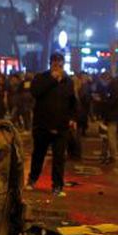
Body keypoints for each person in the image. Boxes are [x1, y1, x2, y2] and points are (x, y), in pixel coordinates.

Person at [28, 52, 77, 196]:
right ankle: (32, 179)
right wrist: (52, 79)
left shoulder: (68, 81)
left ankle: (57, 186)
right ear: (50, 64)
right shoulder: (41, 78)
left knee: (59, 158)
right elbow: (35, 92)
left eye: (60, 63)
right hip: (42, 125)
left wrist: (73, 118)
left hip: (61, 126)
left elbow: (72, 101)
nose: (58, 66)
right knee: (38, 154)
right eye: (55, 63)